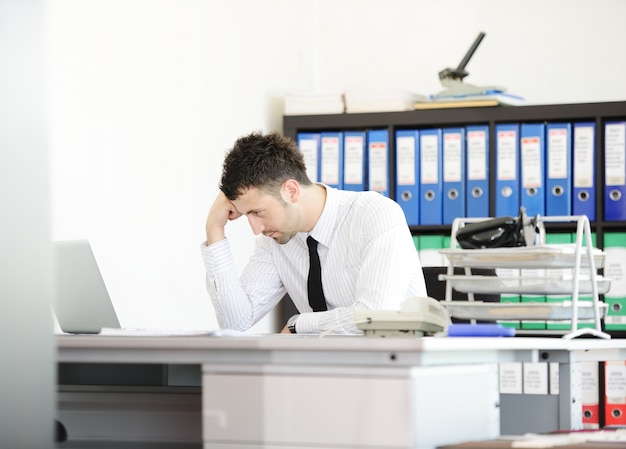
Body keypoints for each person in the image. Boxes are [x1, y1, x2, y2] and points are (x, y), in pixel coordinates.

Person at [201, 131, 427, 334]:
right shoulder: (275, 240)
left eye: (258, 212)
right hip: (325, 372)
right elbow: (236, 322)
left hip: (396, 370)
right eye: (246, 215)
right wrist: (215, 229)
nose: (255, 229)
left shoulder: (374, 214)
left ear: (291, 190)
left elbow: (373, 317)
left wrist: (299, 325)